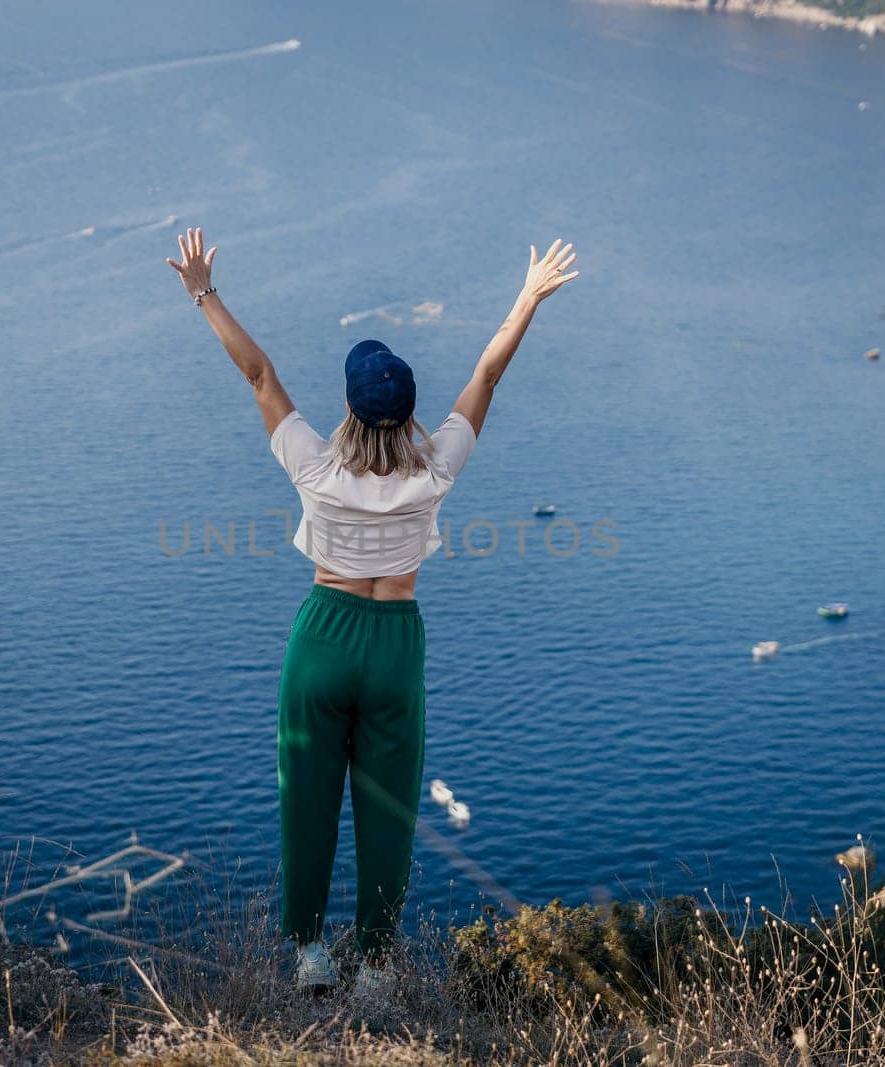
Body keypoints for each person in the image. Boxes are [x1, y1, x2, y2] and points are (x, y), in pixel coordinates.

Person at [166, 227, 578, 996]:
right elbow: (487, 374)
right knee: (387, 812)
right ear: (410, 407)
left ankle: (310, 952)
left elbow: (258, 374)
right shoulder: (434, 469)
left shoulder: (317, 466)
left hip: (324, 635)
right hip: (394, 646)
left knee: (308, 798)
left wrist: (203, 291)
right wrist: (527, 298)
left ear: (350, 405)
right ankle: (378, 967)